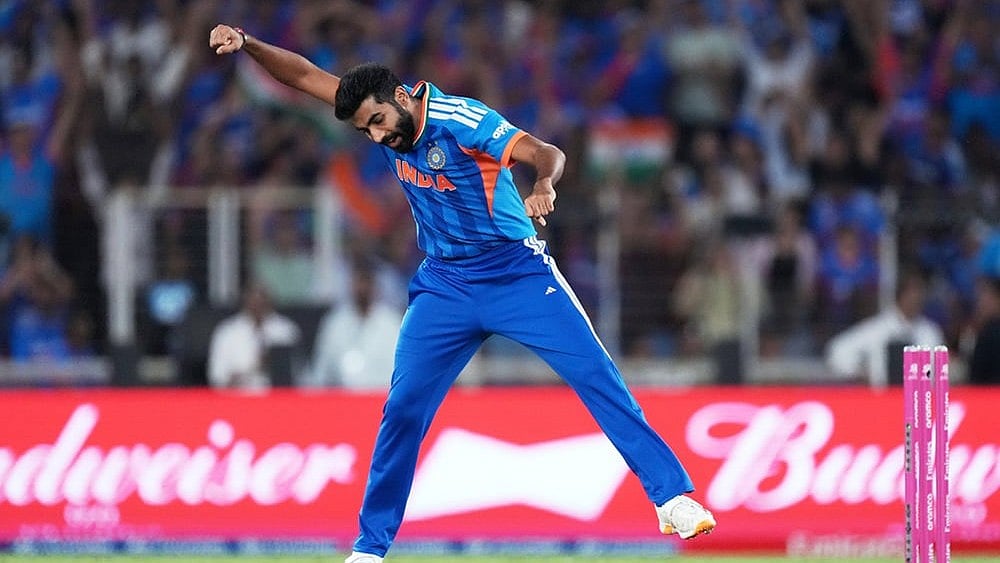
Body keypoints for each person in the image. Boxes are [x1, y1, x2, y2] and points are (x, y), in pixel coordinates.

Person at [209, 23, 715, 563]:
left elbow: (545, 151)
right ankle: (369, 549)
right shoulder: (375, 112)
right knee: (403, 409)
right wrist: (247, 43)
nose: (377, 137)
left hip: (516, 273)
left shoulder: (462, 120)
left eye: (378, 122)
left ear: (400, 96)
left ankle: (671, 498)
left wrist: (544, 184)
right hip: (445, 284)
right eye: (365, 131)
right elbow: (304, 76)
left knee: (596, 375)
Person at [825, 269, 945, 387]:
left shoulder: (930, 332)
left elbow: (940, 371)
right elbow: (837, 351)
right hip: (882, 395)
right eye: (911, 293)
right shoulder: (877, 329)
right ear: (900, 295)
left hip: (921, 397)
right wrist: (861, 372)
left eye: (919, 293)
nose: (915, 298)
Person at [305, 257, 403, 389]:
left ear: (375, 286)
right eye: (358, 282)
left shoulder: (392, 323)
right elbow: (320, 373)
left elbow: (401, 372)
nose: (362, 288)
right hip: (341, 397)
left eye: (366, 282)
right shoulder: (334, 323)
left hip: (381, 395)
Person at [207, 282, 301, 390]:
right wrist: (255, 367)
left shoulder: (286, 330)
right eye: (254, 299)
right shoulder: (227, 332)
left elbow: (300, 373)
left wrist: (276, 363)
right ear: (245, 300)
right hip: (239, 397)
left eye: (262, 299)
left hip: (277, 396)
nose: (258, 304)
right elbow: (217, 378)